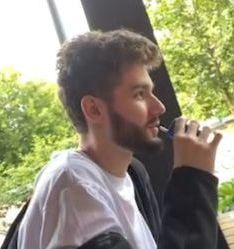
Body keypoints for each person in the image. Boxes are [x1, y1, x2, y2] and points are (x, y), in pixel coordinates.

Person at [17, 29, 223, 249]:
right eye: (139, 94)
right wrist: (193, 179)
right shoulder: (77, 187)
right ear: (94, 109)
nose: (159, 107)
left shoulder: (131, 175)